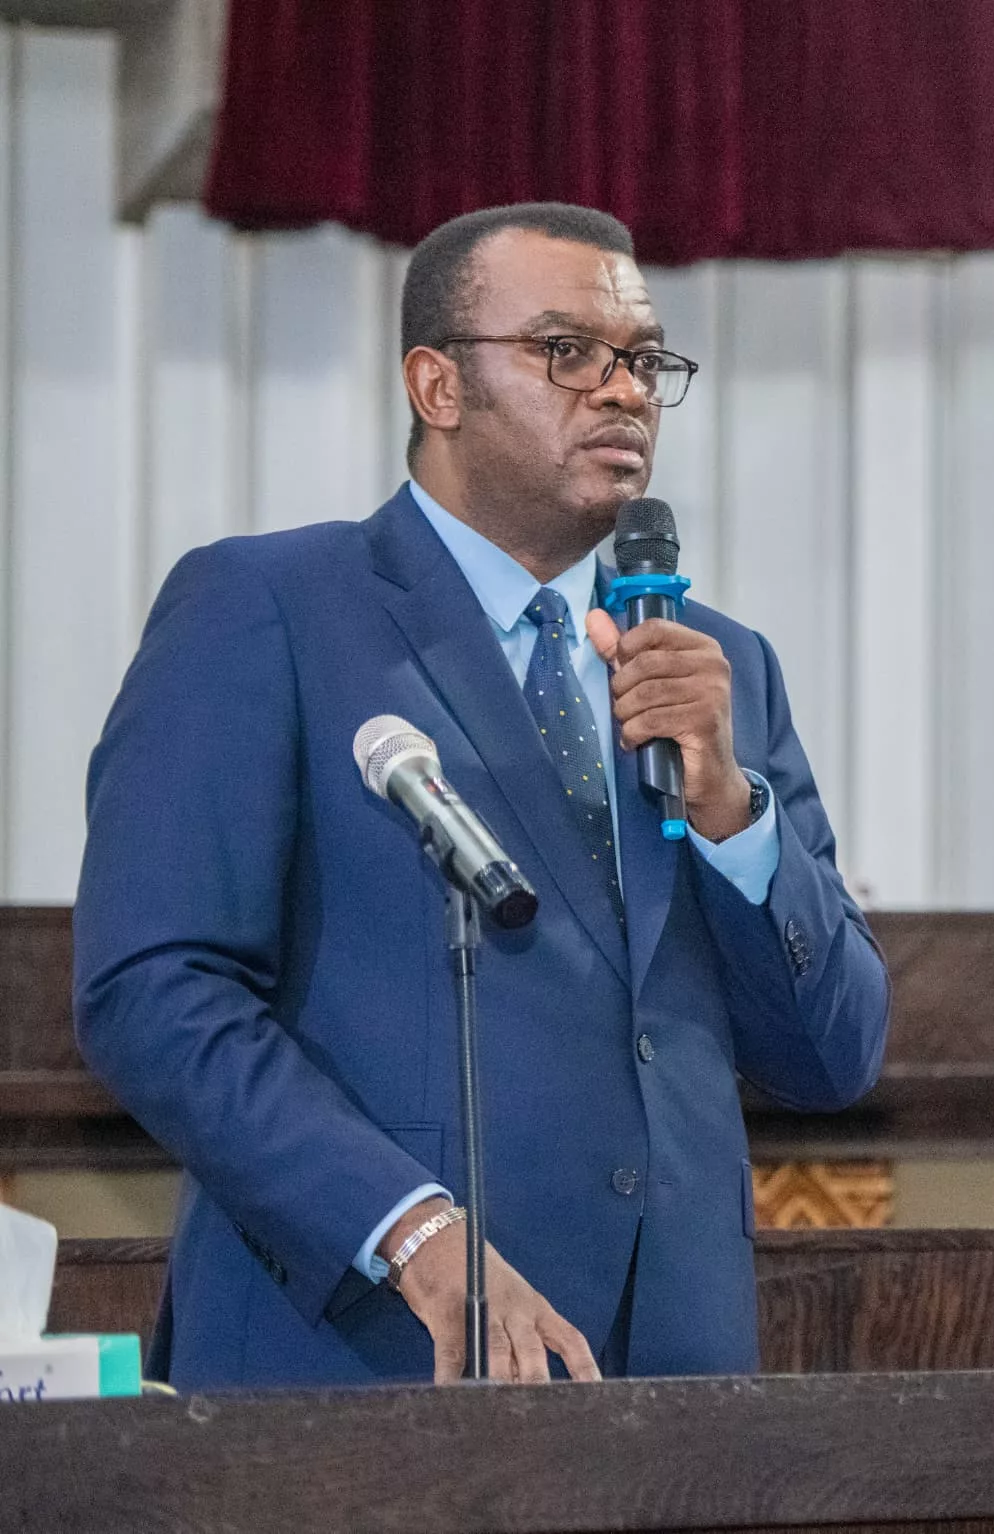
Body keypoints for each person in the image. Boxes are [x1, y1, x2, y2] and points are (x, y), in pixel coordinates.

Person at [72, 202, 890, 1388]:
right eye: (568, 352)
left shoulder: (718, 667)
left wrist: (732, 813)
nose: (622, 392)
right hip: (372, 1353)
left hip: (672, 1380)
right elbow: (153, 989)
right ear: (437, 386)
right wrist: (407, 1226)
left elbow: (836, 1057)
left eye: (644, 361)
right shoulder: (271, 609)